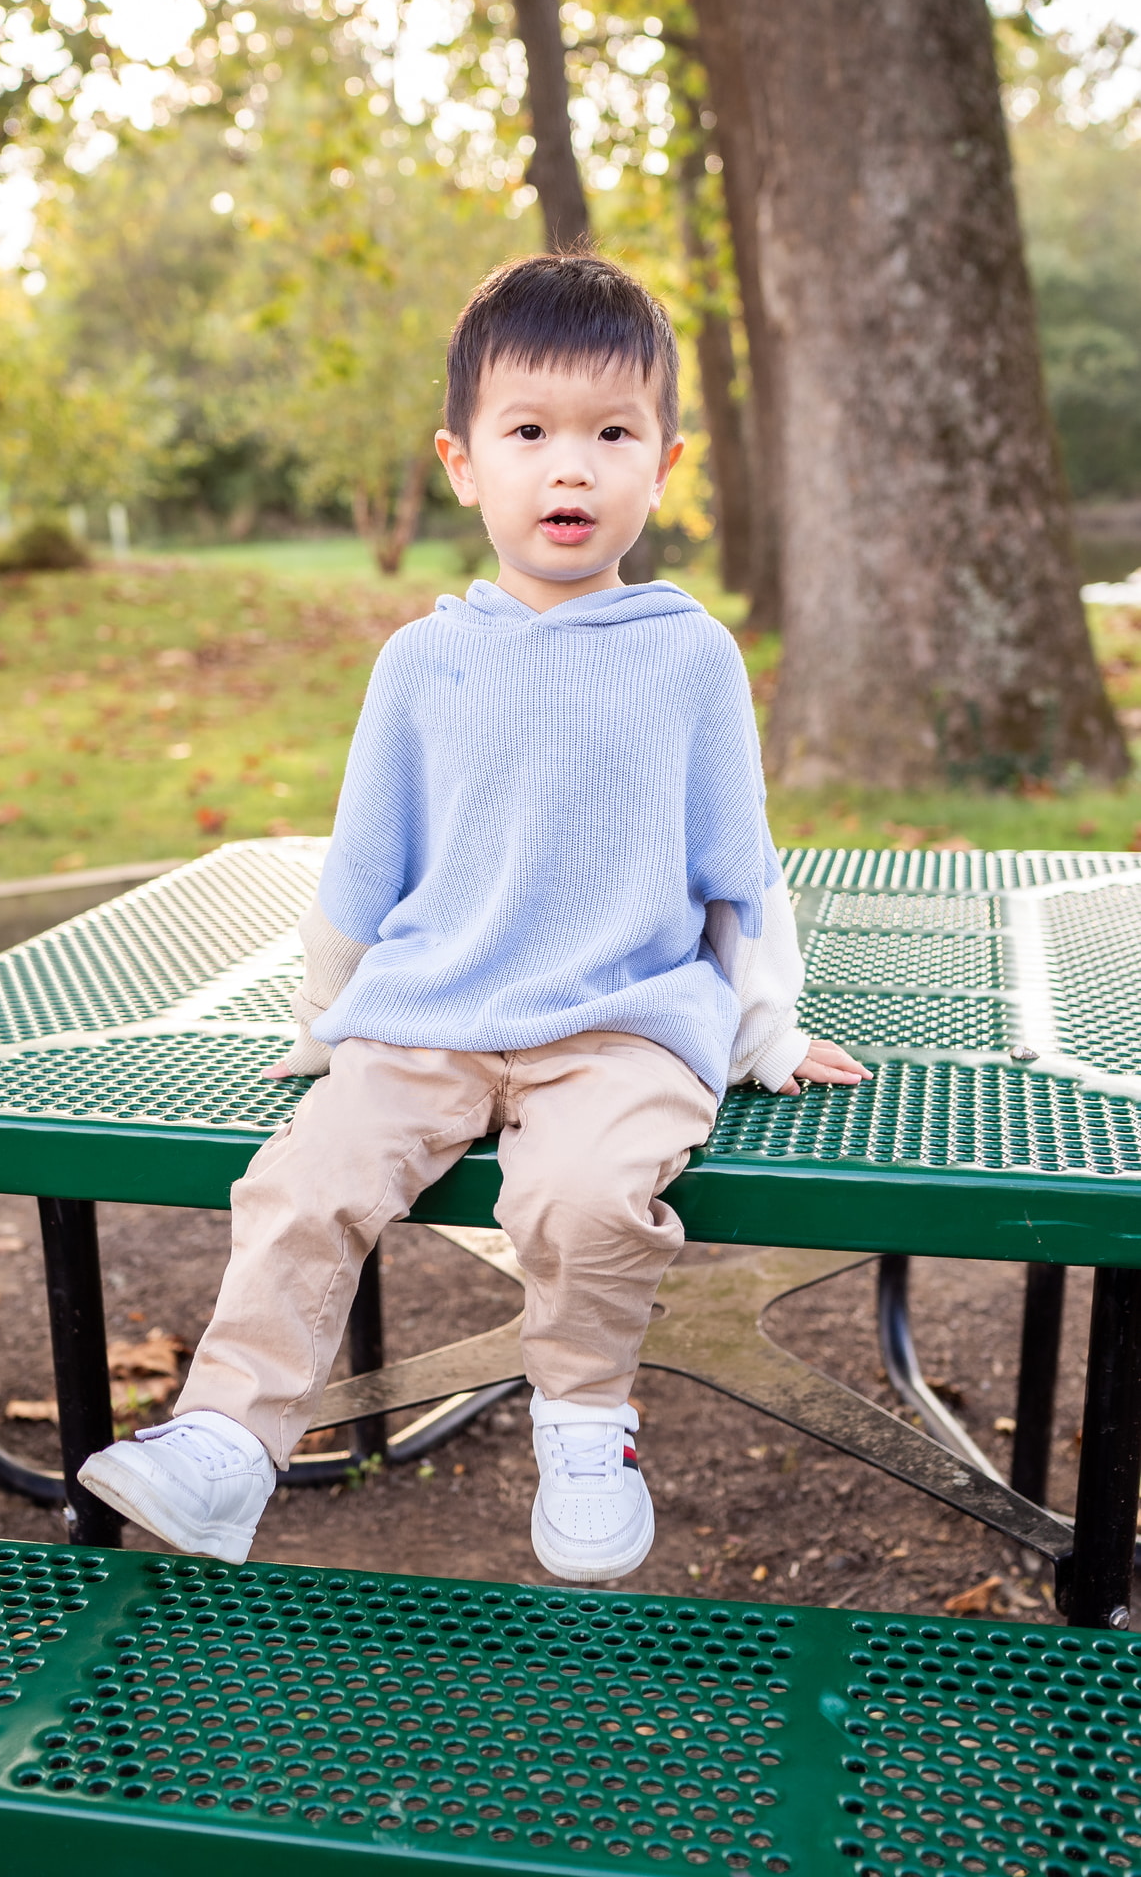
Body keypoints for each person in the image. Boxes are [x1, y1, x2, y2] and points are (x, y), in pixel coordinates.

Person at [80, 252, 869, 1580]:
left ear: (661, 464)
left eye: (610, 435)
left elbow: (739, 867)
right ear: (462, 463)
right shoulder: (420, 662)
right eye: (529, 433)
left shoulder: (688, 656)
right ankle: (226, 1441)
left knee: (584, 1194)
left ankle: (582, 1419)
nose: (570, 470)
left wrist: (763, 1033)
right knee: (302, 1181)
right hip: (431, 1015)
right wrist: (326, 1020)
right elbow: (362, 865)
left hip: (619, 1024)